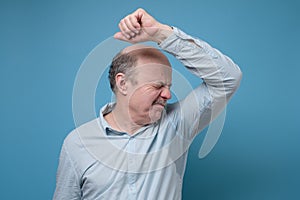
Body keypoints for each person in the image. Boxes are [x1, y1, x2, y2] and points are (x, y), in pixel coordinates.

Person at [53, 8, 242, 200]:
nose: (167, 94)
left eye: (169, 86)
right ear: (123, 83)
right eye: (158, 86)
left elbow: (228, 78)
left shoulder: (177, 125)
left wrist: (160, 34)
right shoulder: (77, 144)